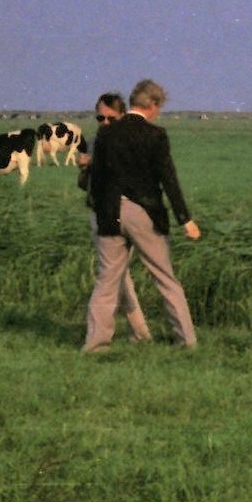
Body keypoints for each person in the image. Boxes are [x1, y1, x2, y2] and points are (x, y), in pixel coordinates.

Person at [82, 79, 201, 351]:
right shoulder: (156, 135)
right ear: (154, 105)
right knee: (165, 277)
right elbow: (168, 179)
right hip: (144, 213)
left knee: (107, 281)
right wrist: (185, 219)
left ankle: (96, 344)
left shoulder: (105, 135)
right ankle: (186, 342)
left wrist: (102, 213)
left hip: (109, 212)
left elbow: (97, 180)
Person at [77, 92, 151, 344]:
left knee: (114, 274)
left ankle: (124, 335)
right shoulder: (93, 141)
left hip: (126, 214)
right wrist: (84, 169)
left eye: (111, 118)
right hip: (100, 213)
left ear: (123, 116)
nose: (105, 123)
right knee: (118, 275)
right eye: (100, 118)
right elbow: (83, 185)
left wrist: (94, 165)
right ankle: (139, 333)